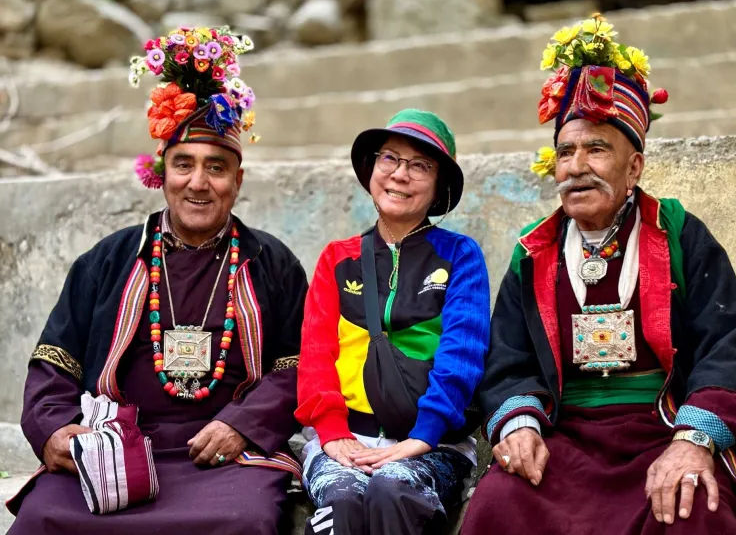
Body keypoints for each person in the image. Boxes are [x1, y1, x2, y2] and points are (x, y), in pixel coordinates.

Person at [461, 15, 736, 534]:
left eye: (596, 149)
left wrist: (692, 442)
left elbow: (726, 345)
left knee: (688, 507)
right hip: (566, 438)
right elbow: (508, 359)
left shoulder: (678, 233)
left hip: (666, 426)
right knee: (500, 501)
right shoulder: (534, 251)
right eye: (566, 152)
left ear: (633, 168)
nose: (576, 166)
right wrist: (519, 424)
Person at [7, 26, 307, 534]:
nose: (198, 183)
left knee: (247, 521)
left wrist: (243, 425)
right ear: (161, 174)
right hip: (118, 452)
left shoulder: (271, 263)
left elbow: (297, 367)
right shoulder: (108, 260)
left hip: (225, 459)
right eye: (183, 165)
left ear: (237, 181)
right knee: (42, 516)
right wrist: (55, 429)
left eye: (216, 168)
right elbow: (54, 364)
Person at [295, 108, 490, 534]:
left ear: (438, 186)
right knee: (342, 498)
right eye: (390, 158)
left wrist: (423, 436)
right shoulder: (337, 258)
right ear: (372, 169)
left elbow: (462, 354)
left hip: (433, 443)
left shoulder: (460, 256)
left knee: (394, 490)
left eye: (420, 165)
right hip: (345, 438)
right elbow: (316, 354)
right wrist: (331, 432)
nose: (400, 174)